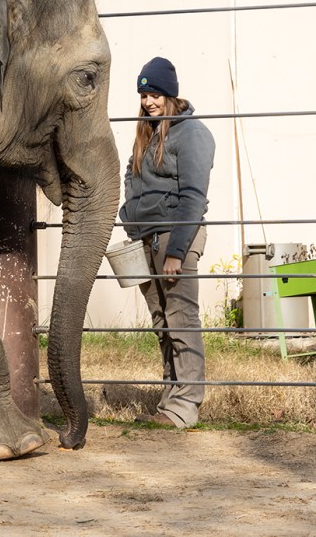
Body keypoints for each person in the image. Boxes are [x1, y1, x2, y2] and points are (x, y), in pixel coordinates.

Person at [118, 56, 216, 429]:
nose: (148, 102)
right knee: (162, 322)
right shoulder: (148, 131)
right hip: (145, 238)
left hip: (175, 236)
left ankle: (186, 405)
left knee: (182, 319)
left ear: (171, 95)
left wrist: (176, 251)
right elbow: (131, 171)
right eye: (144, 94)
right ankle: (170, 399)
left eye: (155, 93)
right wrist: (130, 215)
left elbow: (193, 196)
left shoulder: (192, 134)